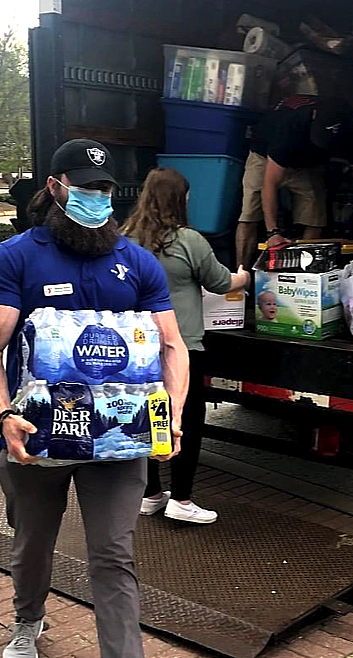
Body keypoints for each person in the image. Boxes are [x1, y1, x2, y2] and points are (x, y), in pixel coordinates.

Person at [0, 139, 188, 658]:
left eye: (106, 189)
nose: (97, 198)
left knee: (113, 554)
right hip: (36, 435)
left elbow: (172, 346)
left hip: (119, 436)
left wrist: (174, 416)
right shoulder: (16, 257)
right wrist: (2, 414)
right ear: (55, 188)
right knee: (32, 541)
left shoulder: (137, 262)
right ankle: (27, 618)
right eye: (85, 187)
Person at [123, 168, 250, 525]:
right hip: (183, 347)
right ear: (181, 199)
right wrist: (245, 275)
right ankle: (181, 498)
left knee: (148, 417)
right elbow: (221, 281)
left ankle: (149, 494)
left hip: (137, 348)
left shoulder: (124, 239)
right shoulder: (188, 240)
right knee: (186, 420)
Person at [235, 94, 353, 267]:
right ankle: (241, 275)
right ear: (313, 116)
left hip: (309, 164)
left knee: (315, 216)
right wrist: (272, 233)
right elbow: (270, 183)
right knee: (249, 213)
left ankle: (304, 271)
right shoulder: (289, 125)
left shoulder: (348, 133)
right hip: (264, 155)